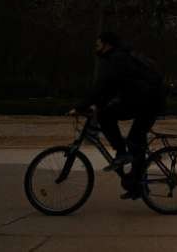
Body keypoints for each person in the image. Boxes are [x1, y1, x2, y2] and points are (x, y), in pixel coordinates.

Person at [68, 31, 165, 200]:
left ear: (107, 45)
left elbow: (102, 87)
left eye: (98, 45)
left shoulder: (117, 59)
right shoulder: (119, 58)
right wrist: (96, 104)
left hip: (148, 103)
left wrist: (81, 106)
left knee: (108, 118)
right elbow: (109, 89)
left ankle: (121, 154)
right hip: (146, 101)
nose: (96, 48)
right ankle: (137, 185)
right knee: (136, 142)